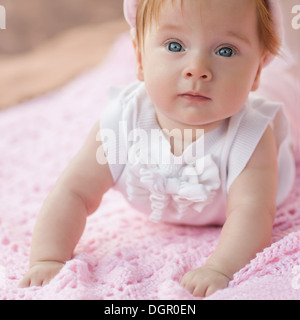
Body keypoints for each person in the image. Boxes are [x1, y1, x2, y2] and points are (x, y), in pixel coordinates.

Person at [19, 0, 295, 297]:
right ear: (139, 59)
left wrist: (220, 268)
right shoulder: (122, 123)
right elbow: (73, 191)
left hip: (285, 102)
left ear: (255, 71)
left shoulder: (251, 136)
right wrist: (49, 257)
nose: (197, 69)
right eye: (175, 46)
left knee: (290, 94)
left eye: (225, 51)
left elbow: (252, 212)